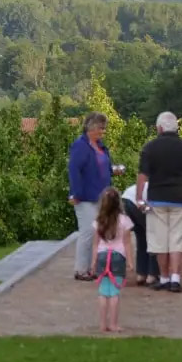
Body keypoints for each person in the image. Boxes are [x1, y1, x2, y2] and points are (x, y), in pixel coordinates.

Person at [135, 111, 182, 294]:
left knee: (160, 241)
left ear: (159, 128)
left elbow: (142, 175)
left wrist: (138, 197)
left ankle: (164, 278)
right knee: (176, 239)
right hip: (180, 197)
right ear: (176, 128)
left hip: (157, 198)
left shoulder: (150, 147)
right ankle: (176, 279)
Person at [122, 181, 182, 287]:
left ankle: (141, 274)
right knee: (156, 236)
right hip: (142, 202)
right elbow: (178, 216)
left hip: (127, 198)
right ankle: (152, 275)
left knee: (142, 238)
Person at [68, 112, 121, 281]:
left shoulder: (100, 146)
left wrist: (113, 170)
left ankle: (96, 267)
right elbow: (74, 170)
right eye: (100, 128)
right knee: (88, 232)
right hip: (85, 197)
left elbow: (101, 167)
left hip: (102, 196)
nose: (103, 131)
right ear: (91, 127)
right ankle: (81, 269)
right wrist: (76, 192)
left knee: (100, 232)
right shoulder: (81, 146)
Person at [90, 186, 134, 333]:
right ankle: (114, 324)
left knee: (103, 293)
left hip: (102, 257)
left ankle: (103, 325)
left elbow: (95, 244)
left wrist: (93, 262)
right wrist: (130, 261)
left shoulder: (98, 222)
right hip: (118, 257)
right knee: (114, 293)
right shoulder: (125, 221)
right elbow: (127, 243)